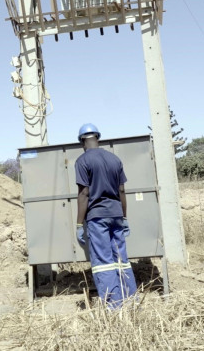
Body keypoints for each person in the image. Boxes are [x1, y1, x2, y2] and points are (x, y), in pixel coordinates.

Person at [75, 123, 137, 308]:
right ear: (98, 138)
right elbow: (122, 191)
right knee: (121, 260)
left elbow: (84, 193)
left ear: (82, 142)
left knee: (104, 262)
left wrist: (79, 224)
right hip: (117, 214)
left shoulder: (82, 161)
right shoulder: (114, 159)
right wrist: (124, 217)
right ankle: (131, 300)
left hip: (98, 217)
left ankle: (114, 306)